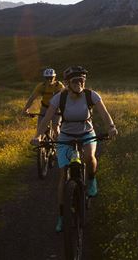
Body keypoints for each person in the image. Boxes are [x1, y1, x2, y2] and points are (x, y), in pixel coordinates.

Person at [30, 65, 118, 232]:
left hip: (86, 133)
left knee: (89, 157)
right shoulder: (59, 98)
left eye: (82, 80)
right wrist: (38, 136)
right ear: (68, 83)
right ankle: (62, 216)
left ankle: (91, 180)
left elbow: (104, 114)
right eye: (75, 81)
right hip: (65, 136)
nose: (79, 84)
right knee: (63, 175)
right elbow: (46, 118)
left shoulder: (91, 95)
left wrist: (111, 127)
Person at [23, 68, 65, 139]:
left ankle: (60, 145)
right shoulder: (41, 86)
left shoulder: (59, 85)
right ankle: (40, 144)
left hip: (56, 109)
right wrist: (25, 109)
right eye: (47, 78)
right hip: (45, 108)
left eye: (51, 78)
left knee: (56, 127)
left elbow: (65, 97)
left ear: (54, 77)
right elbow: (32, 98)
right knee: (40, 128)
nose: (49, 80)